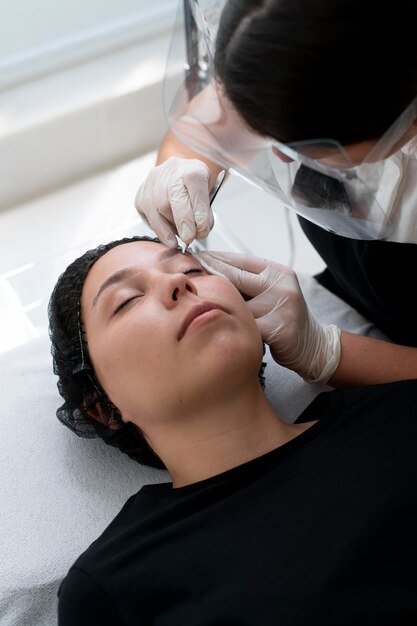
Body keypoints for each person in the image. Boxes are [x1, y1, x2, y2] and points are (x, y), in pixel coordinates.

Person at [49, 235, 417, 625]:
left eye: (193, 270)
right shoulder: (114, 582)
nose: (179, 283)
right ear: (101, 407)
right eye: (127, 300)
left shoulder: (396, 410)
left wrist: (330, 353)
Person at [134, 0, 417, 388]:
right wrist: (181, 166)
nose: (278, 153)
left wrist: (328, 354)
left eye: (302, 145)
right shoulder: (294, 33)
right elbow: (214, 119)